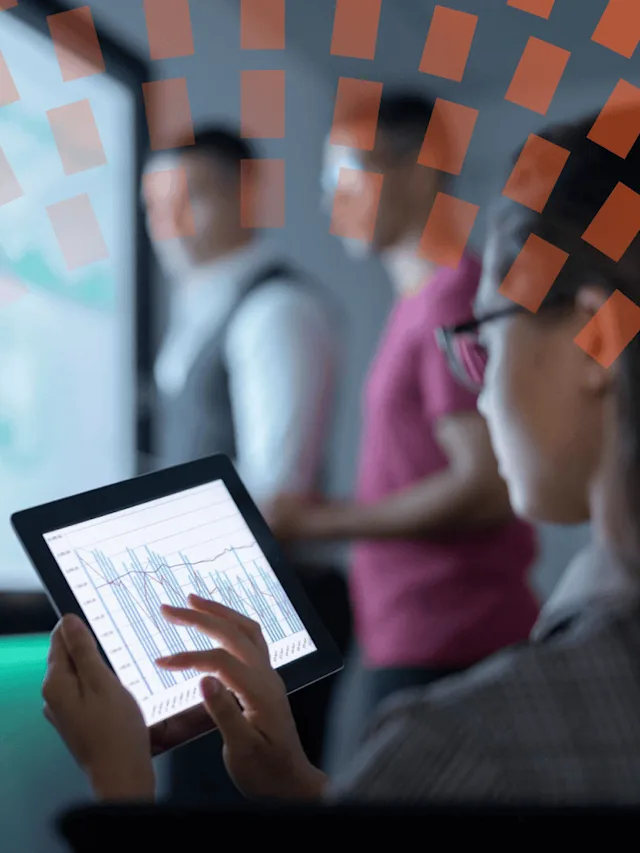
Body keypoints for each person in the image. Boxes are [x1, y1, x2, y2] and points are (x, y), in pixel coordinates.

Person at [41, 102, 640, 805]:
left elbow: (481, 484)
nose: (480, 388)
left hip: (441, 629)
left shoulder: (469, 740)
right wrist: (300, 786)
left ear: (595, 342)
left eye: (487, 339)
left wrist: (120, 783)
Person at [266, 91, 539, 715]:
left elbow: (486, 487)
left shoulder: (452, 299)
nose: (331, 200)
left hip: (450, 638)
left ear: (418, 167)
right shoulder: (419, 303)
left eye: (345, 174)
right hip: (410, 631)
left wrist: (319, 522)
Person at [142, 126, 349, 789]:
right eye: (154, 203)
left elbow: (277, 495)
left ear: (245, 195)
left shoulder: (277, 308)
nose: (167, 222)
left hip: (269, 616)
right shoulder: (199, 310)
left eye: (191, 196)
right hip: (220, 617)